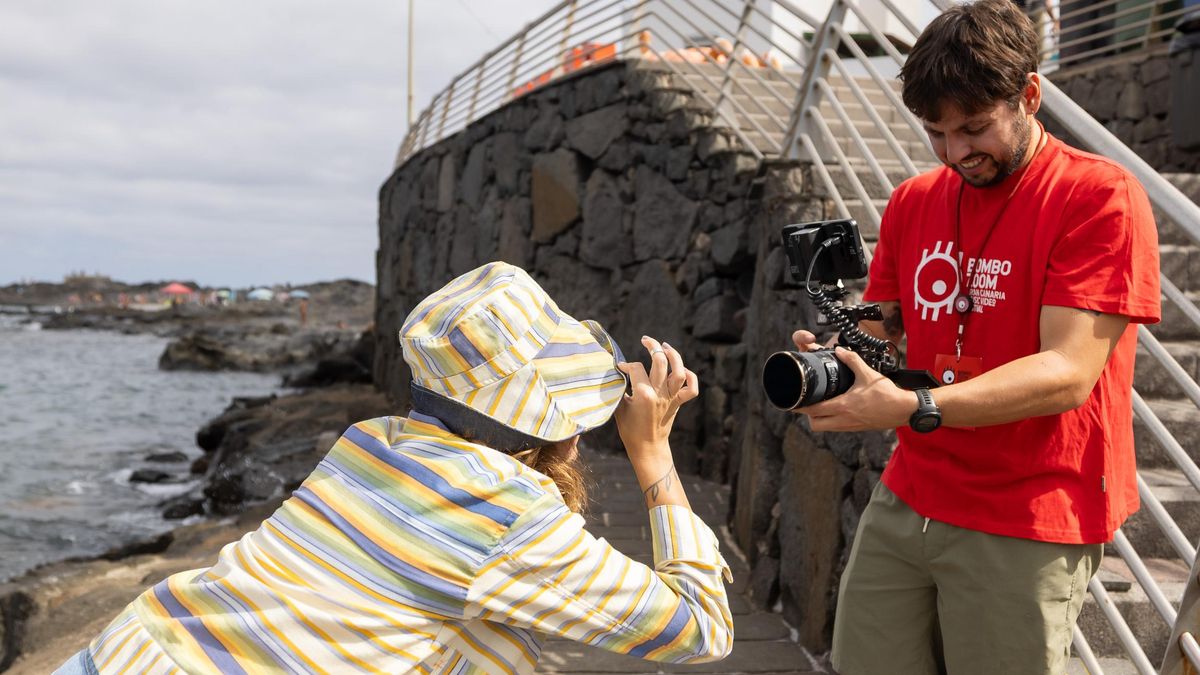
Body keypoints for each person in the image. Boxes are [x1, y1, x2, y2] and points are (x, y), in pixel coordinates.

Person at [56, 261, 733, 674]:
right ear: (540, 421)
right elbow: (701, 629)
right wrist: (653, 454)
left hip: (123, 652)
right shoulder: (505, 519)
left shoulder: (369, 442)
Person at [789, 1, 1160, 673]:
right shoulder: (913, 201)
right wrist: (835, 357)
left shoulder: (1098, 196)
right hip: (911, 494)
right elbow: (881, 327)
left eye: (974, 127)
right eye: (936, 132)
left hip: (1031, 512)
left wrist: (916, 406)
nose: (956, 152)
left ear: (1029, 95)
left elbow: (1068, 372)